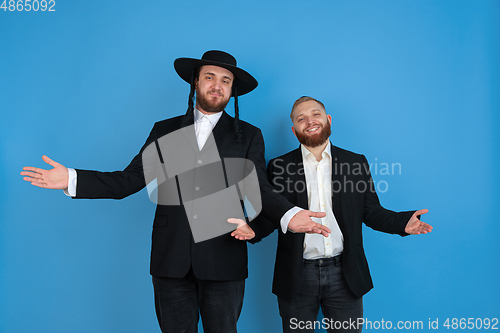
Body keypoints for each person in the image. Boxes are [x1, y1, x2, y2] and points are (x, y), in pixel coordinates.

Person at [20, 51, 331, 333]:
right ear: (196, 82)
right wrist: (72, 179)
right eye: (209, 77)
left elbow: (259, 188)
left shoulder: (248, 135)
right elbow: (130, 180)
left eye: (225, 81)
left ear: (232, 90)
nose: (217, 85)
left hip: (224, 258)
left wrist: (289, 215)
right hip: (171, 259)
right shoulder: (163, 130)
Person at [250, 96, 433, 333]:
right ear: (294, 131)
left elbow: (371, 211)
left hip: (345, 274)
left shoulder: (355, 162)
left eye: (315, 114)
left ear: (328, 120)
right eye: (301, 118)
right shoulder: (278, 165)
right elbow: (273, 214)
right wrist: (250, 229)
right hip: (296, 274)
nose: (310, 121)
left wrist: (401, 222)